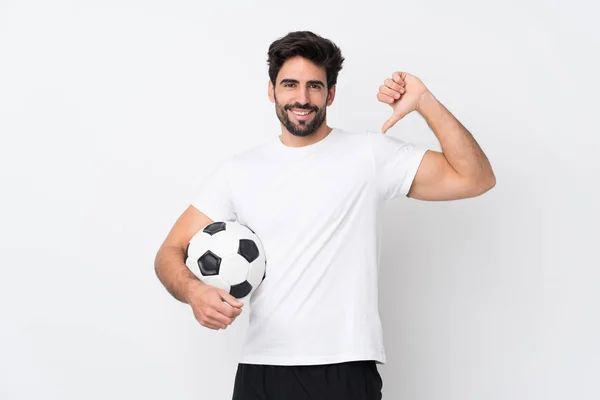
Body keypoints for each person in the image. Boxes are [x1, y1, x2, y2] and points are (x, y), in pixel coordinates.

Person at [154, 31, 496, 400]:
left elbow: (475, 178)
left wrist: (424, 102)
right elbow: (169, 252)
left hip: (345, 370)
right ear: (272, 90)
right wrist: (195, 292)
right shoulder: (238, 171)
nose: (302, 98)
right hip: (263, 369)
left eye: (314, 86)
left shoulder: (368, 155)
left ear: (330, 93)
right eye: (290, 84)